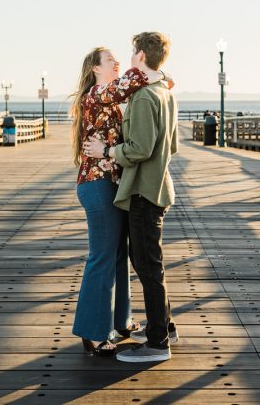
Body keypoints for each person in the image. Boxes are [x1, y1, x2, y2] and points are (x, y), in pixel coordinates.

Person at [83, 31, 178, 363]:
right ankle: (150, 327)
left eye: (127, 55)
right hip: (115, 184)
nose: (121, 61)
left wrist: (108, 149)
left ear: (139, 55)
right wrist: (159, 72)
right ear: (94, 68)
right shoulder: (153, 92)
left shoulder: (144, 94)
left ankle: (153, 335)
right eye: (110, 59)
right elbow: (168, 144)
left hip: (136, 186)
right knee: (127, 259)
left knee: (141, 262)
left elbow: (139, 147)